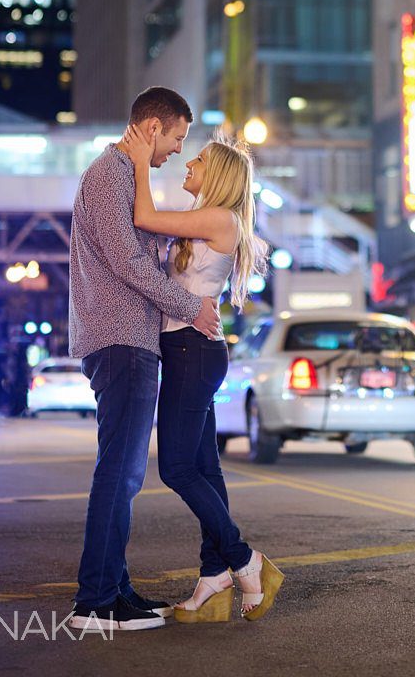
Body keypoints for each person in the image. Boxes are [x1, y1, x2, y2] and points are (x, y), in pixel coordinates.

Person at [68, 87, 223, 633]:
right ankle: (96, 600)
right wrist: (190, 307)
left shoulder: (121, 173)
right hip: (121, 340)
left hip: (125, 339)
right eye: (178, 138)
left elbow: (140, 248)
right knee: (120, 472)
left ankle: (114, 587)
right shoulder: (109, 173)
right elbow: (128, 262)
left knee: (124, 472)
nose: (179, 151)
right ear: (153, 127)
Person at [124, 120, 284, 624]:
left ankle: (242, 559)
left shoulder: (220, 220)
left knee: (175, 468)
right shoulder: (206, 219)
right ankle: (214, 575)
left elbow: (143, 215)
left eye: (197, 161)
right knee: (206, 470)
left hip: (194, 352)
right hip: (189, 349)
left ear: (216, 175)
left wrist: (136, 163)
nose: (187, 163)